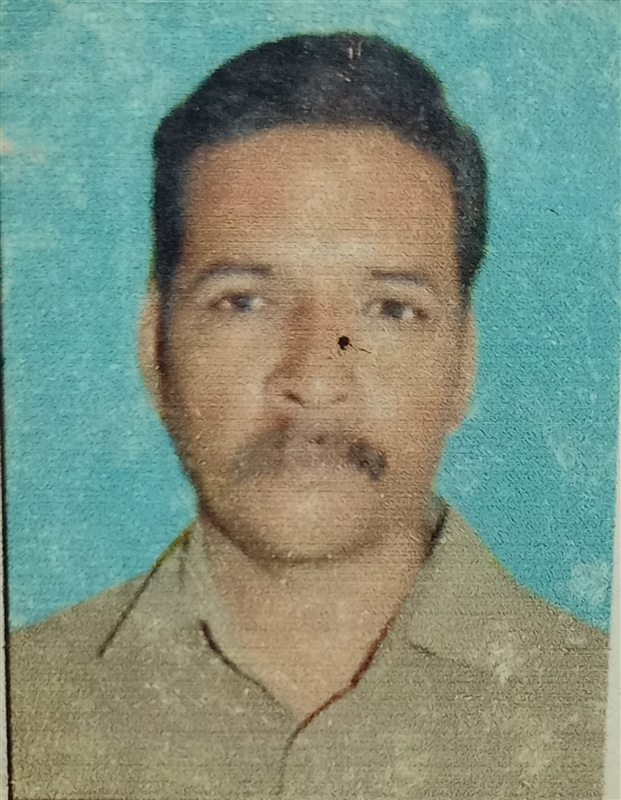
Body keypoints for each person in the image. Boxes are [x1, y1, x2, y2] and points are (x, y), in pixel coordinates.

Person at [10, 33, 609, 800]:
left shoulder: (601, 714)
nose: (315, 378)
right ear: (153, 348)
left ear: (462, 365)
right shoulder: (22, 703)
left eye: (390, 308)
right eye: (243, 301)